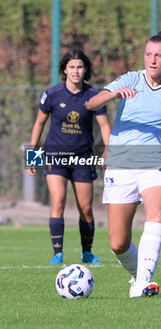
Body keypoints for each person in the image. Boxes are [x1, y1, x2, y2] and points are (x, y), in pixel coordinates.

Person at [86, 31, 161, 297]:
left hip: (155, 163)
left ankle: (142, 285)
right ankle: (140, 276)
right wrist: (113, 95)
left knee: (156, 213)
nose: (153, 59)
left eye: (159, 55)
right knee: (118, 243)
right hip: (121, 165)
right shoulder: (130, 79)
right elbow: (91, 102)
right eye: (149, 54)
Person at [27, 49, 111, 264]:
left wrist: (108, 150)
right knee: (58, 200)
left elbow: (104, 126)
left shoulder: (94, 95)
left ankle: (87, 253)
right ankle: (58, 253)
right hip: (56, 155)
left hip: (83, 157)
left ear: (85, 70)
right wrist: (33, 157)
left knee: (85, 208)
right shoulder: (52, 94)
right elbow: (39, 124)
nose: (76, 71)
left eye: (80, 67)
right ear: (64, 69)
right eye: (72, 67)